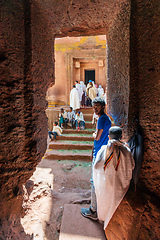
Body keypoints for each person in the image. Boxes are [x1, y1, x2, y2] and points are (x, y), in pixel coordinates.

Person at [93, 126, 135, 229]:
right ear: (121, 137)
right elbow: (132, 166)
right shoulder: (127, 151)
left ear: (108, 137)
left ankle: (103, 217)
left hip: (105, 184)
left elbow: (96, 166)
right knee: (116, 201)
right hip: (120, 187)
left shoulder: (103, 150)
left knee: (104, 199)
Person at [81, 97, 111, 219]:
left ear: (103, 106)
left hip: (99, 152)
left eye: (97, 106)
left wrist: (93, 134)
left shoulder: (101, 119)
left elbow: (97, 137)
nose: (95, 109)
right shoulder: (106, 119)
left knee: (94, 180)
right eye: (94, 107)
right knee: (99, 178)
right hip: (102, 151)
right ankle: (99, 205)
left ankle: (93, 210)